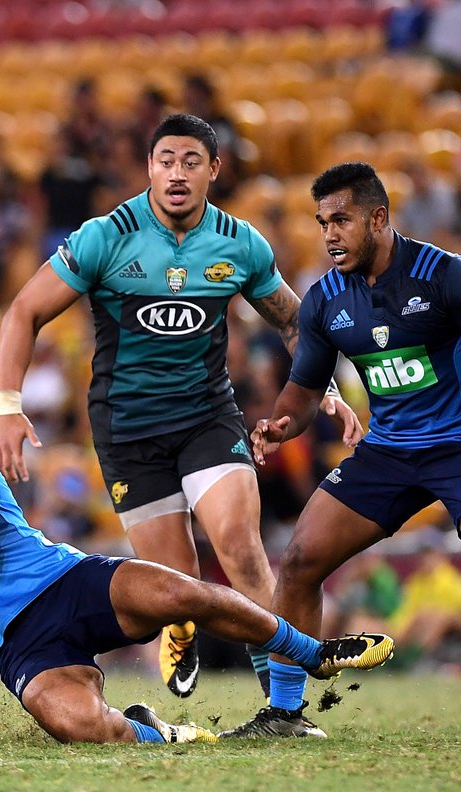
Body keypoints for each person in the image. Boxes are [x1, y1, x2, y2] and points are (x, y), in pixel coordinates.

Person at [0, 383, 394, 744]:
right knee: (86, 729)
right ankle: (160, 731)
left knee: (186, 596)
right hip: (18, 642)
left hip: (62, 579)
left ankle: (310, 652)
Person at [0, 113, 363, 704]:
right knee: (180, 588)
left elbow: (296, 323)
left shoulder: (240, 244)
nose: (177, 174)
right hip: (128, 431)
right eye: (166, 161)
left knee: (241, 548)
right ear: (149, 169)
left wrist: (329, 390)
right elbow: (23, 312)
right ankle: (180, 628)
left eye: (191, 162)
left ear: (214, 170)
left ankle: (283, 707)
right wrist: (6, 405)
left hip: (206, 417)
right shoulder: (104, 237)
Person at [224, 161, 461, 737]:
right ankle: (285, 713)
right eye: (322, 222)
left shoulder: (444, 277)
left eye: (342, 220)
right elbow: (304, 390)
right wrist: (281, 424)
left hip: (455, 445)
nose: (329, 235)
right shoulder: (325, 299)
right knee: (301, 561)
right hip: (389, 454)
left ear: (379, 218)